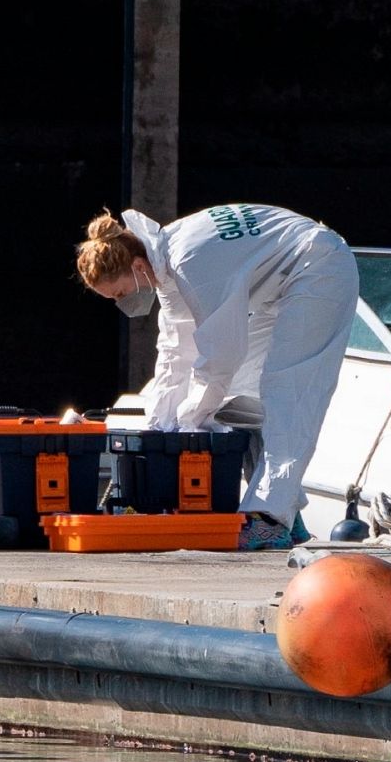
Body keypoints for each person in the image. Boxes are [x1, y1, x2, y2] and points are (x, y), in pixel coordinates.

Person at [75, 203, 360, 550]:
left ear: (136, 266)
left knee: (290, 391)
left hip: (320, 269)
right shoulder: (166, 261)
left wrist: (191, 418)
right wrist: (160, 428)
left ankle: (270, 518)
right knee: (241, 398)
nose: (126, 302)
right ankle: (287, 512)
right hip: (282, 278)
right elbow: (176, 349)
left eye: (120, 293)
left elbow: (221, 353)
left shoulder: (189, 261)